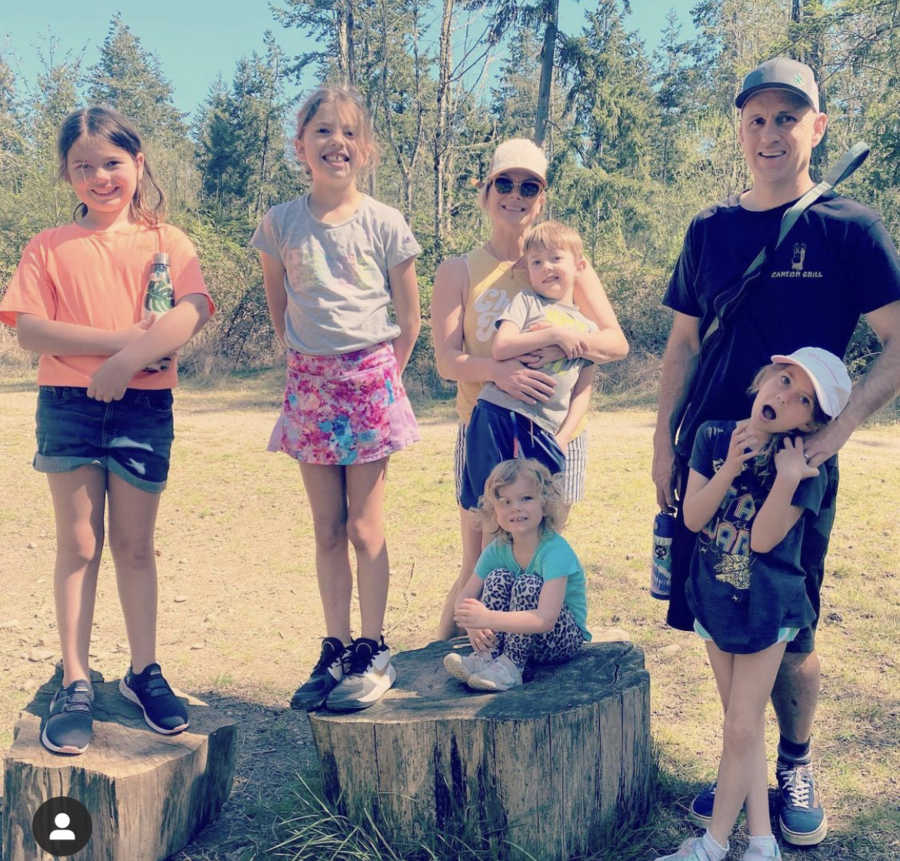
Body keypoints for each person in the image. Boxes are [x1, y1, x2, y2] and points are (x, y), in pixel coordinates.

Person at [651, 57, 900, 846]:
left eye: (787, 118)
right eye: (755, 117)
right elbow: (682, 344)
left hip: (790, 470)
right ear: (740, 127)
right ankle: (741, 762)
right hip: (709, 457)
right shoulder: (709, 230)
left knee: (790, 631)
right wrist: (664, 439)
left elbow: (896, 342)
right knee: (719, 616)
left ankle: (792, 758)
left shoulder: (848, 228)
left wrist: (835, 432)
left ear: (816, 129)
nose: (769, 133)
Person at [0, 106, 214, 755]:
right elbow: (28, 326)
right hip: (66, 404)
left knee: (134, 544)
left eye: (112, 163)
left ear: (138, 163)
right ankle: (75, 677)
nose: (100, 176)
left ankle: (143, 670)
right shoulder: (48, 246)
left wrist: (126, 365)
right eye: (83, 166)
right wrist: (117, 345)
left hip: (143, 407)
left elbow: (193, 309)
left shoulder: (167, 242)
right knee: (80, 542)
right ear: (68, 175)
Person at [251, 86, 421, 713]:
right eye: (322, 131)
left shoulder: (384, 223)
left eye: (348, 132)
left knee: (364, 526)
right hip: (309, 386)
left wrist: (382, 379)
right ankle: (335, 645)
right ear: (301, 147)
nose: (336, 143)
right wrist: (309, 366)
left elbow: (410, 317)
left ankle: (373, 649)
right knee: (325, 529)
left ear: (366, 148)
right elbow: (280, 304)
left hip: (371, 382)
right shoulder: (279, 223)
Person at [655, 348, 850, 861]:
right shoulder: (714, 436)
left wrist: (785, 478)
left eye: (803, 399)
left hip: (769, 609)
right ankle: (762, 843)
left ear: (810, 420)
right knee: (742, 728)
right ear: (765, 376)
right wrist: (728, 471)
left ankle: (714, 844)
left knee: (741, 726)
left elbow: (763, 540)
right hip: (715, 598)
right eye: (784, 380)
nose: (785, 396)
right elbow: (693, 518)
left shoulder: (808, 467)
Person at [433, 138, 629, 641]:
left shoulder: (564, 262)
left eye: (528, 186)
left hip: (554, 432)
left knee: (541, 550)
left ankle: (526, 665)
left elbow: (614, 342)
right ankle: (442, 667)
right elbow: (447, 361)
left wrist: (566, 338)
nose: (515, 195)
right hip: (487, 427)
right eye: (504, 183)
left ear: (540, 196)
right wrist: (498, 372)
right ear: (486, 191)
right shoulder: (458, 270)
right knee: (482, 554)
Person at [459, 220, 597, 510]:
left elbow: (583, 390)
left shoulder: (588, 329)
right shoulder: (525, 302)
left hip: (546, 429)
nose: (547, 267)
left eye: (556, 258)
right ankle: (492, 558)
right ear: (527, 270)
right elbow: (501, 346)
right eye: (536, 262)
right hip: (498, 414)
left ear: (579, 266)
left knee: (542, 516)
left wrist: (563, 437)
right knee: (494, 512)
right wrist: (556, 335)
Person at [444, 458, 589, 691]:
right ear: (494, 510)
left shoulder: (555, 551)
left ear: (545, 503)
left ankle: (511, 668)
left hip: (559, 640)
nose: (516, 508)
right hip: (516, 637)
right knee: (498, 577)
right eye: (505, 501)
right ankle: (487, 656)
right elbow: (466, 597)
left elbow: (545, 619)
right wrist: (472, 625)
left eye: (526, 498)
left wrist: (487, 618)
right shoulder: (498, 548)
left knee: (529, 584)